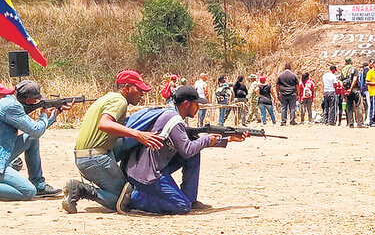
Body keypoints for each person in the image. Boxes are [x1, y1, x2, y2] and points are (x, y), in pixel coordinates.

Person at [119, 86, 247, 214]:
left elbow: (192, 146)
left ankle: (190, 199)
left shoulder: (171, 114)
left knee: (194, 154)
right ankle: (133, 199)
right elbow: (187, 149)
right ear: (186, 104)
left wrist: (228, 139)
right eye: (196, 104)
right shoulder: (174, 120)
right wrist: (207, 139)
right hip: (147, 174)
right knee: (181, 206)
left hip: (147, 167)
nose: (198, 108)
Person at [62, 70, 164, 214]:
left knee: (132, 143)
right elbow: (104, 124)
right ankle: (81, 189)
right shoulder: (119, 101)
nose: (142, 93)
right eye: (139, 89)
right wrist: (139, 134)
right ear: (127, 88)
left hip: (85, 155)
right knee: (120, 199)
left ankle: (122, 176)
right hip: (94, 158)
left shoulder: (108, 98)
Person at [0, 81, 68, 200]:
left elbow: (34, 132)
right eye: (35, 99)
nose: (36, 101)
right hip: (1, 159)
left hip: (4, 151)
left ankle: (39, 185)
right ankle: (35, 186)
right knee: (28, 192)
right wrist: (44, 115)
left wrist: (55, 113)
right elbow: (36, 129)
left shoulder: (10, 101)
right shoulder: (11, 106)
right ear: (27, 100)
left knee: (32, 139)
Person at [340, 57, 363, 128]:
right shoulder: (354, 69)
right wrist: (351, 88)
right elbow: (355, 79)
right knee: (358, 106)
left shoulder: (343, 70)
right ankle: (360, 123)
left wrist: (344, 90)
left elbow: (340, 81)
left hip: (347, 90)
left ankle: (350, 123)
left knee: (349, 107)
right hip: (355, 89)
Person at [366, 60, 375, 127]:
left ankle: (374, 120)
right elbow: (367, 82)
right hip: (373, 92)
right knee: (373, 107)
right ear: (374, 64)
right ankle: (372, 121)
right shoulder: (370, 72)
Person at [359, 62, 370, 126]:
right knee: (368, 105)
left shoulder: (362, 73)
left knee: (364, 106)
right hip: (367, 90)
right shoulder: (367, 71)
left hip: (362, 91)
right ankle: (367, 120)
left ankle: (363, 120)